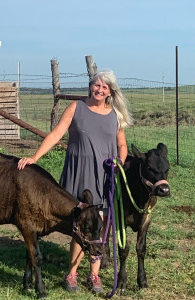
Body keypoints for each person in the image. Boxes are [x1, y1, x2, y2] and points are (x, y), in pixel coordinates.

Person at [17, 70, 133, 294]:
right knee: (81, 227)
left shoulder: (115, 114)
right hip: (79, 174)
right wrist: (34, 157)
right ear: (91, 86)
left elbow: (122, 146)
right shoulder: (76, 108)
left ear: (110, 91)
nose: (99, 90)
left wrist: (119, 162)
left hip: (104, 177)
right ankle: (71, 274)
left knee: (99, 229)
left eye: (104, 87)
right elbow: (56, 134)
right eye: (96, 85)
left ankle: (95, 275)